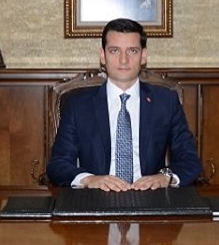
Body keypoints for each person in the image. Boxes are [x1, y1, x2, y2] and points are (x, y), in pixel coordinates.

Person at [46, 18, 202, 191]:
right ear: (102, 56)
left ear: (143, 56)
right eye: (114, 51)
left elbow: (190, 161)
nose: (123, 60)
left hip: (150, 196)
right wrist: (89, 179)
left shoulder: (166, 101)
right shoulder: (78, 104)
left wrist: (165, 178)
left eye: (132, 51)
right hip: (96, 196)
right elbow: (58, 164)